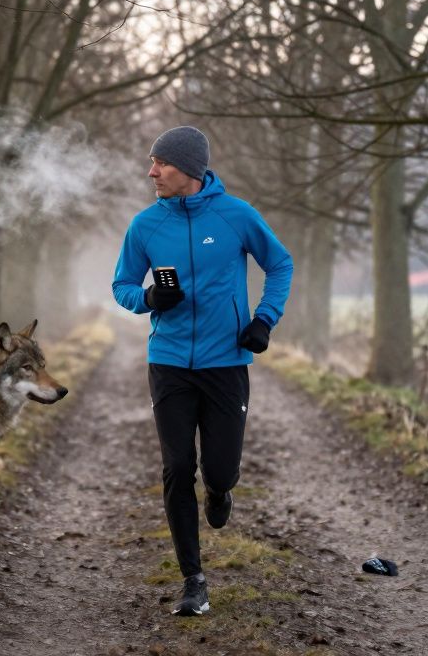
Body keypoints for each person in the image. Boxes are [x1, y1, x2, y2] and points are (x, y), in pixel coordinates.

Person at [112, 125, 294, 616]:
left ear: (189, 169)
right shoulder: (145, 225)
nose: (151, 172)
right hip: (168, 363)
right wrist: (148, 298)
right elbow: (122, 285)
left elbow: (280, 264)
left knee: (219, 468)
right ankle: (193, 580)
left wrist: (264, 319)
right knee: (176, 468)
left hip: (225, 365)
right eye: (151, 162)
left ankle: (220, 491)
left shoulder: (237, 216)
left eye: (161, 163)